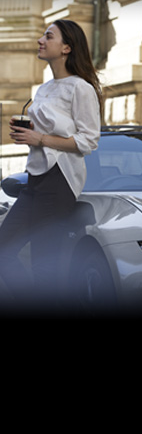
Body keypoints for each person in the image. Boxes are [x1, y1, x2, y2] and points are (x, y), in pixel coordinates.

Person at [0, 19, 102, 311]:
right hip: (36, 179)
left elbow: (88, 141)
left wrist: (40, 137)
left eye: (48, 36)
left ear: (67, 47)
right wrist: (28, 135)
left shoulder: (81, 89)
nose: (40, 41)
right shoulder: (43, 88)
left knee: (45, 262)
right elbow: (45, 134)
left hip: (60, 181)